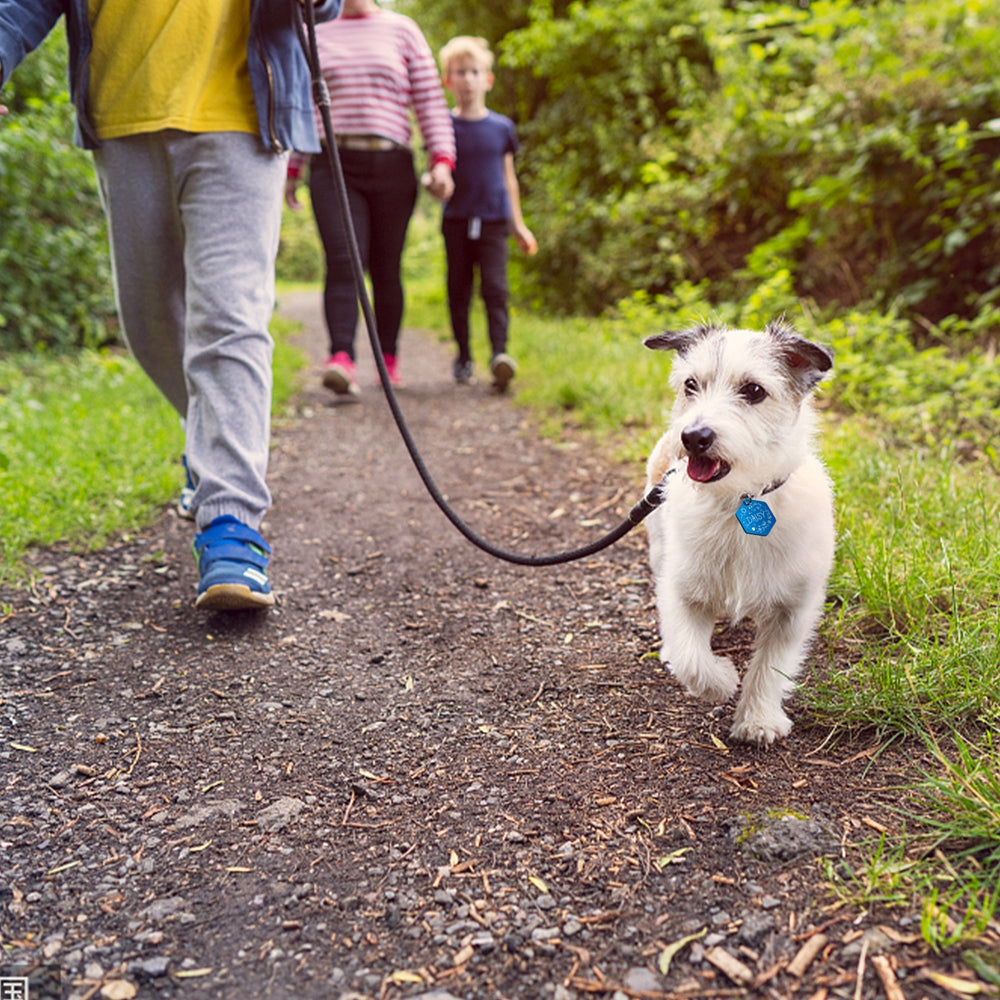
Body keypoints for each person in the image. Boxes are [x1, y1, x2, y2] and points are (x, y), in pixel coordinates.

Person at [0, 0, 339, 612]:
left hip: (244, 108)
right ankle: (205, 442)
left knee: (229, 319)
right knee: (148, 319)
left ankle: (232, 524)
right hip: (123, 109)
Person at [285, 0, 455, 397]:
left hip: (392, 165)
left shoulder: (403, 30)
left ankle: (388, 359)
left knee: (385, 266)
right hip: (333, 164)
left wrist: (442, 161)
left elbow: (430, 102)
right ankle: (341, 357)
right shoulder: (314, 31)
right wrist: (293, 170)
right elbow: (304, 105)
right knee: (344, 258)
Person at [438, 35, 537, 391]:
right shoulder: (444, 125)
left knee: (496, 289)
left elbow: (508, 180)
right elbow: (437, 167)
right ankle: (463, 356)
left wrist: (519, 226)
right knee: (459, 290)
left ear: (488, 79)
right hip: (457, 220)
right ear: (448, 80)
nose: (467, 79)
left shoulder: (501, 128)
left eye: (474, 71)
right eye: (460, 72)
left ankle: (500, 355)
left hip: (495, 221)